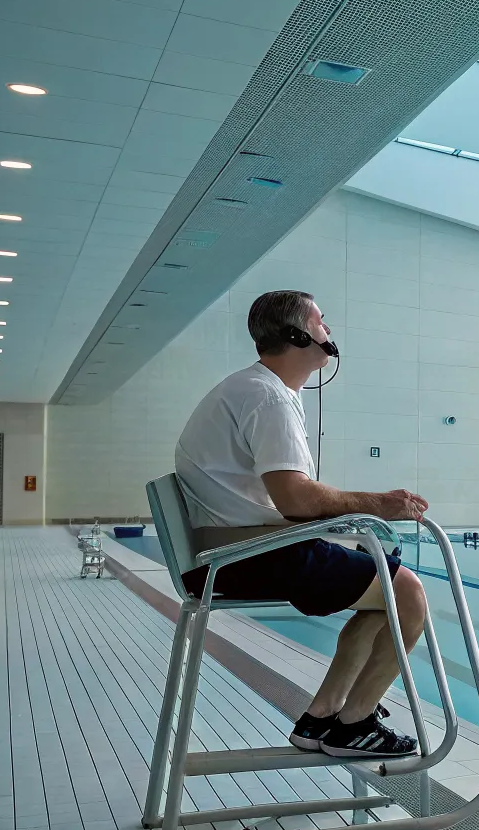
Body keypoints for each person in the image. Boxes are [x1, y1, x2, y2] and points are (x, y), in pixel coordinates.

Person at [174, 289, 430, 759]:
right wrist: (379, 503)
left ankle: (324, 718)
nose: (328, 330)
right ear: (297, 335)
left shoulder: (253, 389)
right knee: (408, 594)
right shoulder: (268, 398)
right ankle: (354, 723)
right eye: (321, 321)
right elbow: (294, 499)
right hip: (245, 557)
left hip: (232, 551)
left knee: (384, 575)